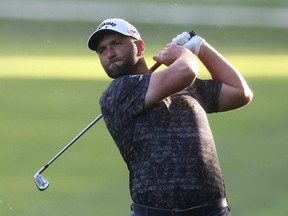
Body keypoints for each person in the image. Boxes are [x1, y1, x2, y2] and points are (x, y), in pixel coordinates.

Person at [87, 18, 253, 216]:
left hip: (213, 211)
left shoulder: (185, 85)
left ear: (139, 47)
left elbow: (240, 93)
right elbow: (186, 70)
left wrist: (201, 47)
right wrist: (184, 54)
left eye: (116, 43)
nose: (110, 54)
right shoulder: (117, 92)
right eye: (102, 50)